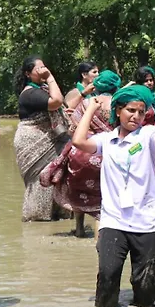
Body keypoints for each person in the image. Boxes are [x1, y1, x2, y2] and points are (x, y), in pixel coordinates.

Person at [71, 85, 155, 307]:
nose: (136, 116)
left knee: (146, 295)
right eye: (130, 110)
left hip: (148, 221)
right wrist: (90, 110)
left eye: (141, 112)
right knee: (107, 278)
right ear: (118, 111)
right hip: (114, 220)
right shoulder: (106, 140)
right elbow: (78, 141)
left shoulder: (147, 134)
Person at [39, 70, 121, 237]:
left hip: (82, 154)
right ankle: (101, 239)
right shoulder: (120, 105)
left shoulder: (87, 103)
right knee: (103, 199)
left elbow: (73, 130)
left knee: (79, 191)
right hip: (108, 153)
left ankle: (79, 229)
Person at [13, 56, 71, 221]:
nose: (43, 70)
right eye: (39, 68)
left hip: (50, 140)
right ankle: (36, 221)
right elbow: (56, 101)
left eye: (44, 67)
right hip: (34, 142)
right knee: (40, 181)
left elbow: (59, 105)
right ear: (28, 73)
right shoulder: (29, 93)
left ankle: (58, 219)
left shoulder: (42, 89)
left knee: (57, 177)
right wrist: (50, 77)